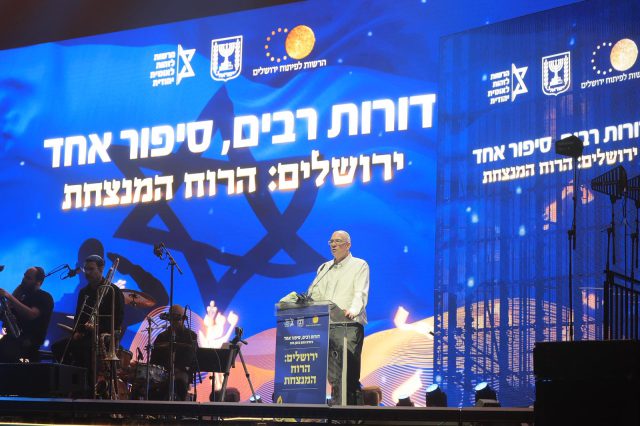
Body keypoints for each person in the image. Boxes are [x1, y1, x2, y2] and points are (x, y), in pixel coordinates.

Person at [306, 230, 369, 405]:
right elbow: (315, 294)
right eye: (331, 241)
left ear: (348, 245)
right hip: (327, 326)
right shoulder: (324, 268)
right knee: (334, 377)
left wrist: (353, 310)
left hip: (349, 326)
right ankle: (337, 412)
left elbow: (360, 293)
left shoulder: (359, 265)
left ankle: (353, 414)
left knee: (348, 376)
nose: (333, 244)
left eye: (338, 241)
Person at [52, 255, 124, 394]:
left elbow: (118, 320)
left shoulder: (113, 291)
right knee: (58, 347)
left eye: (91, 269)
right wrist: (78, 331)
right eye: (86, 269)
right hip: (86, 335)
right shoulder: (84, 292)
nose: (87, 273)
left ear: (101, 269)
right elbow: (79, 317)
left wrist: (97, 328)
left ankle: (87, 389)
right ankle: (69, 383)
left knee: (84, 350)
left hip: (103, 337)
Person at [0, 266, 53, 362]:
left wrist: (9, 296)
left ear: (38, 282)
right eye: (24, 276)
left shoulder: (44, 297)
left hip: (27, 342)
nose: (23, 280)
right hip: (12, 339)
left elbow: (31, 314)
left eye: (28, 278)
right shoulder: (21, 295)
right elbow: (5, 312)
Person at [149, 304, 198, 401]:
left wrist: (177, 369)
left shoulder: (191, 336)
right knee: (151, 389)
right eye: (172, 317)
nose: (174, 321)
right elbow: (154, 360)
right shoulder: (162, 337)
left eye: (177, 317)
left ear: (183, 318)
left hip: (182, 372)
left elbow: (191, 358)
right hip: (163, 373)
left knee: (179, 383)